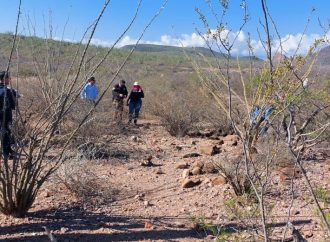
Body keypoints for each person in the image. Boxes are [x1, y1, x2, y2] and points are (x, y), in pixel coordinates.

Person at [0, 71, 17, 158]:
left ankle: (8, 150)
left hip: (6, 115)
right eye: (8, 78)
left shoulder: (6, 89)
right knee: (4, 133)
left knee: (7, 132)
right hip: (3, 116)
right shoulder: (5, 90)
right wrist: (14, 92)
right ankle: (5, 153)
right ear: (3, 79)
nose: (9, 79)